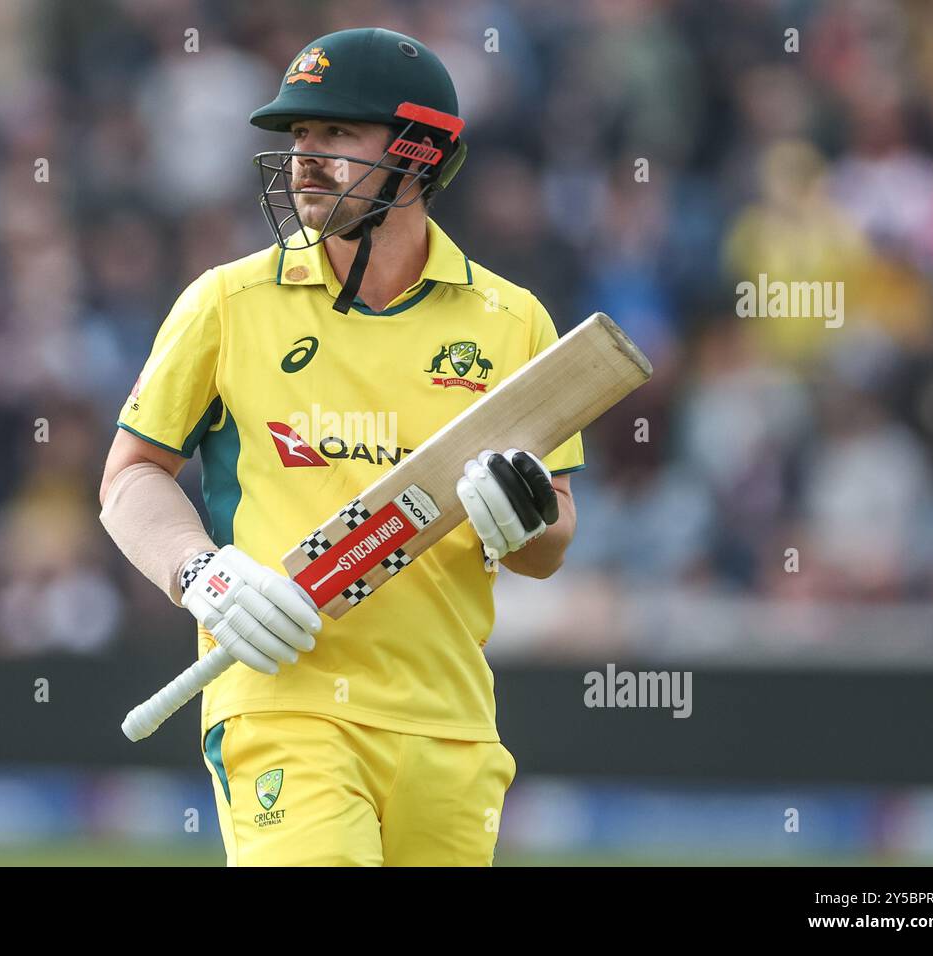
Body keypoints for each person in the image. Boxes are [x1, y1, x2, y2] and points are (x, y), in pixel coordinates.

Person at [99, 27, 583, 866]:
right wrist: (202, 577)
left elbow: (552, 542)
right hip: (282, 703)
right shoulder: (227, 301)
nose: (305, 158)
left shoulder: (515, 323)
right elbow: (129, 477)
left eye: (336, 134)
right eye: (298, 137)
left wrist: (524, 519)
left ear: (419, 152)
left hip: (450, 724)